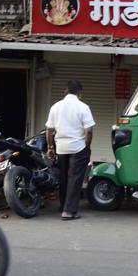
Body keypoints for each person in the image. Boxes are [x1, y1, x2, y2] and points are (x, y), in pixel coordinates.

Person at [45, 80, 95, 220]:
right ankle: (69, 211)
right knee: (75, 179)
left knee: (64, 178)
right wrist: (87, 146)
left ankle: (63, 205)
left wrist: (50, 147)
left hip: (61, 148)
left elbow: (49, 130)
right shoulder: (83, 107)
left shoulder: (55, 107)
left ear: (65, 91)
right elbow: (89, 131)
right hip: (78, 147)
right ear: (80, 92)